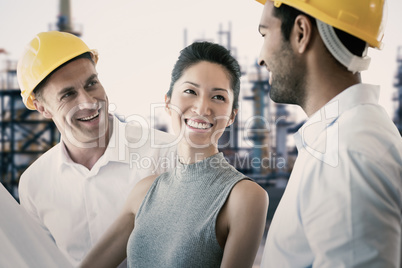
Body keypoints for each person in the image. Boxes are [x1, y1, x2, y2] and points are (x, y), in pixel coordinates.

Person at [79, 41, 269, 268]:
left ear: (231, 116)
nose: (201, 108)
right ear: (168, 102)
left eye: (218, 97)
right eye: (190, 91)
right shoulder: (145, 190)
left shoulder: (244, 196)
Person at [254, 0, 402, 267]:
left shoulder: (346, 155)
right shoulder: (342, 139)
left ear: (301, 32)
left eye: (265, 34)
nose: (261, 57)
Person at [16, 31, 177, 267]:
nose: (89, 101)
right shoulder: (34, 184)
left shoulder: (165, 153)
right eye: (68, 94)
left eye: (92, 83)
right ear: (42, 108)